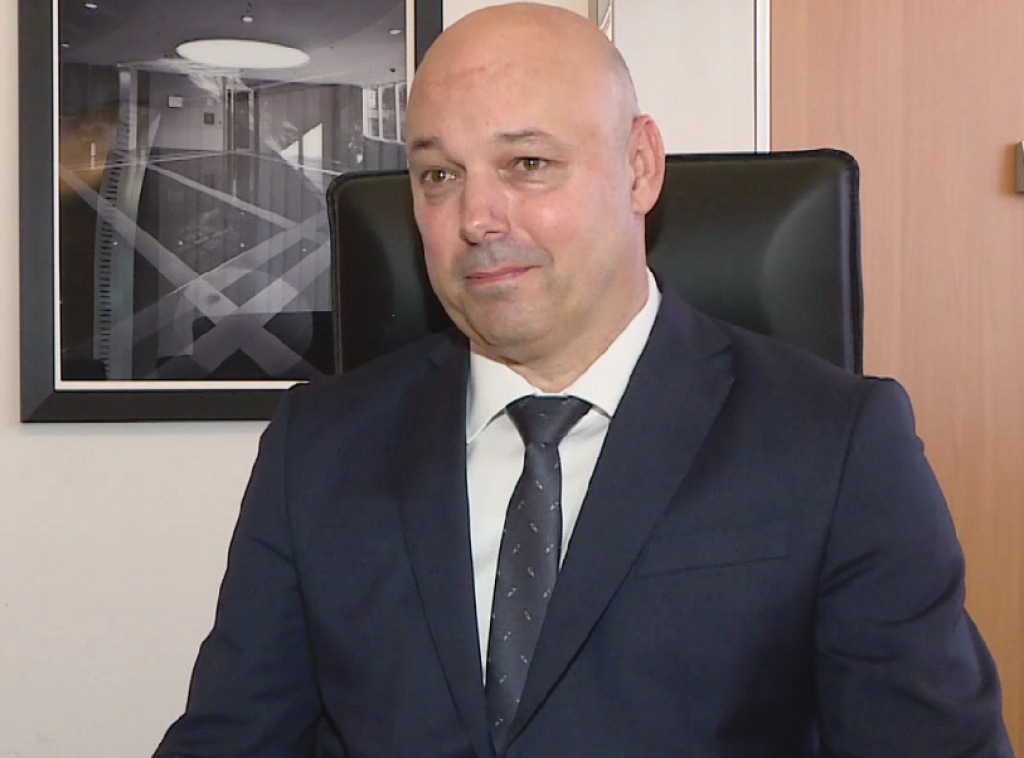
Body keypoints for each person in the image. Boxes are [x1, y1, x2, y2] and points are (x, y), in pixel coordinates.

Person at [154, 4, 1014, 757]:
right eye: (439, 176)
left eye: (527, 164)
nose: (476, 218)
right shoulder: (319, 447)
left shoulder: (837, 443)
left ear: (639, 166)